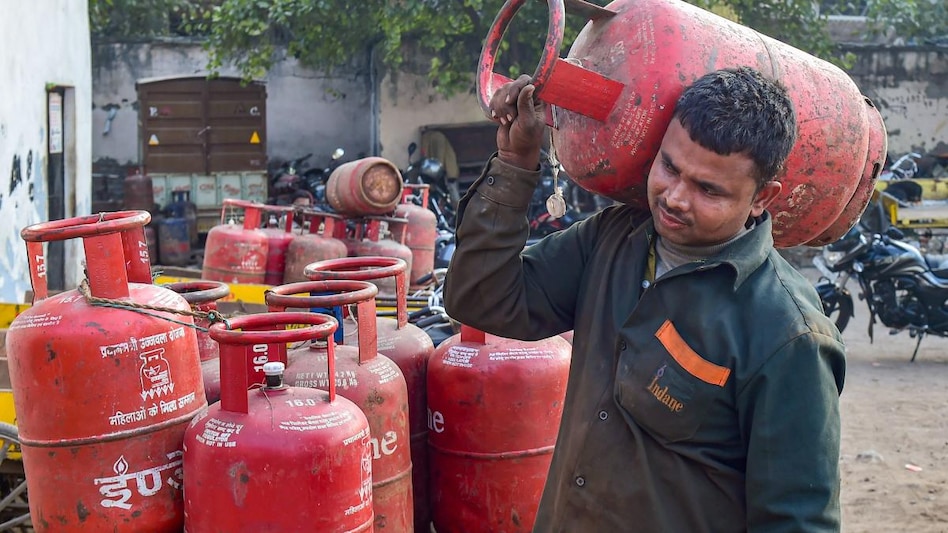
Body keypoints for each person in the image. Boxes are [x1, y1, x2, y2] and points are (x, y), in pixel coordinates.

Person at [443, 66, 846, 532]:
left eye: (708, 189)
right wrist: (516, 163)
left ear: (762, 198)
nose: (675, 198)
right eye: (670, 167)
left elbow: (796, 522)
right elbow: (480, 299)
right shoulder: (612, 240)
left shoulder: (788, 336)